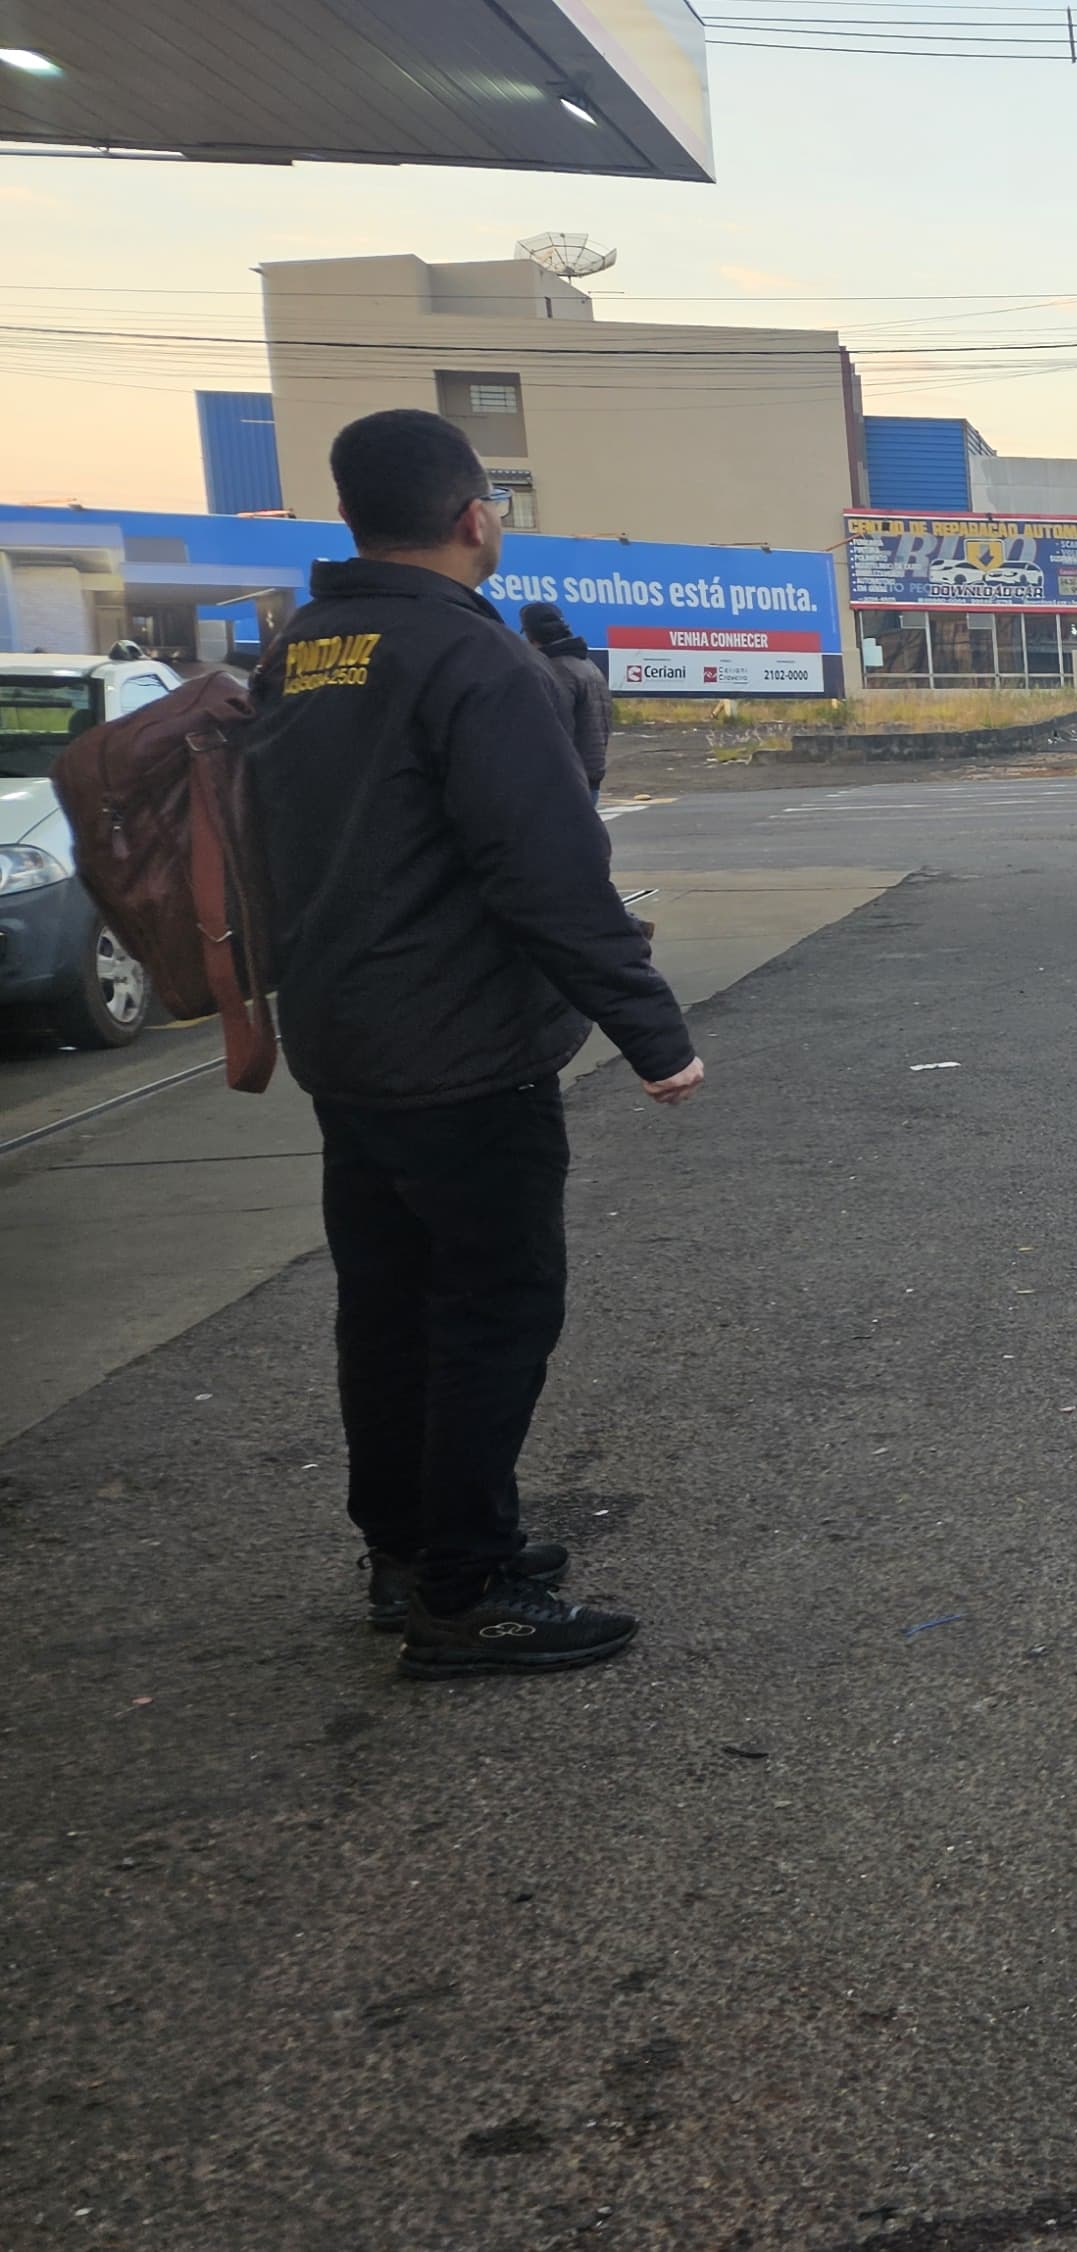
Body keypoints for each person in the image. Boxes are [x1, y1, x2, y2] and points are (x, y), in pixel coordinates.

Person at [247, 407, 702, 1678]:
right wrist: (652, 1031)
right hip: (462, 1050)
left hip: (346, 1040)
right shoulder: (469, 659)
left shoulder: (308, 647)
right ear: (474, 516)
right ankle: (469, 1588)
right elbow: (547, 865)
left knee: (388, 1309)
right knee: (494, 1312)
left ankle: (407, 1549)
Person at [516, 599, 613, 803]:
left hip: (564, 781)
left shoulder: (557, 671)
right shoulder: (587, 666)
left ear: (532, 636)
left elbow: (549, 730)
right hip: (589, 774)